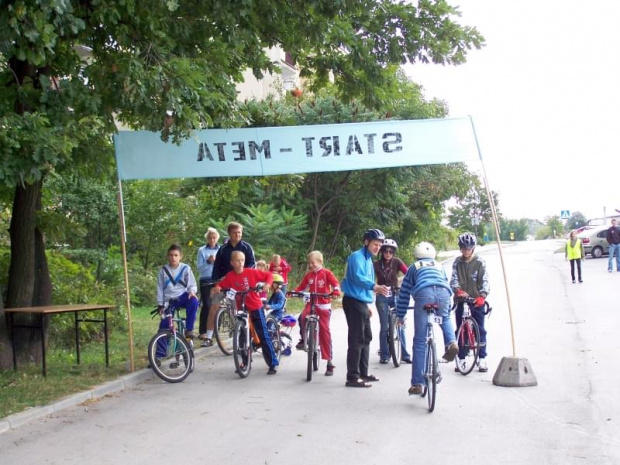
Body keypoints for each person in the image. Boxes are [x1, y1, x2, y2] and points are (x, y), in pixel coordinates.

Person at [396, 242, 458, 395]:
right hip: (444, 293)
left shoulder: (413, 267)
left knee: (419, 341)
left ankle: (417, 383)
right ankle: (451, 342)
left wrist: (400, 315)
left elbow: (404, 293)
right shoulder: (438, 266)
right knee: (445, 317)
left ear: (416, 256)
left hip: (423, 294)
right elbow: (445, 282)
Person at [211, 251, 279, 374]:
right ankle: (245, 362)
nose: (240, 262)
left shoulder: (251, 272)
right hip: (241, 308)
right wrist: (218, 287)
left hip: (255, 306)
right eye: (237, 260)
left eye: (242, 260)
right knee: (242, 336)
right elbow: (221, 284)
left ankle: (273, 363)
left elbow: (268, 275)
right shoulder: (230, 276)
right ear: (232, 263)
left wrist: (267, 285)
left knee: (263, 334)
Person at [341, 229, 390, 388]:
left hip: (360, 302)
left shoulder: (368, 260)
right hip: (353, 301)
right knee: (356, 339)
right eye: (375, 244)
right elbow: (357, 278)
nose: (378, 248)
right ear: (366, 242)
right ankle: (352, 377)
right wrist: (374, 286)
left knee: (366, 337)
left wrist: (367, 305)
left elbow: (363, 285)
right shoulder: (357, 256)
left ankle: (363, 372)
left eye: (379, 245)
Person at [204, 222, 257, 346]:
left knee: (237, 309)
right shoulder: (222, 250)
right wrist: (215, 281)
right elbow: (217, 267)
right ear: (229, 234)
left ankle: (241, 333)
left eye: (239, 232)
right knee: (214, 306)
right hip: (224, 282)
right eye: (235, 233)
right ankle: (208, 337)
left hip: (239, 283)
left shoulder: (246, 247)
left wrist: (244, 274)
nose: (237, 235)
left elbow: (252, 264)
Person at [292, 250, 340, 376]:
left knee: (325, 331)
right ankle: (304, 339)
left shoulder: (327, 273)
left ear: (320, 262)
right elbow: (301, 287)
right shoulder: (309, 276)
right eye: (309, 263)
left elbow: (335, 284)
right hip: (311, 304)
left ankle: (329, 362)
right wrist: (294, 291)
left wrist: (335, 291)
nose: (311, 265)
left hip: (323, 305)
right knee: (302, 317)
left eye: (313, 263)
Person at [450, 232, 491, 373]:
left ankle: (482, 358)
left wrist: (483, 295)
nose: (466, 251)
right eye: (463, 248)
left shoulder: (480, 262)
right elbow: (454, 279)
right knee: (460, 329)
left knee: (480, 329)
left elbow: (485, 280)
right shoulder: (457, 262)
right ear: (460, 248)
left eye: (468, 248)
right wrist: (457, 290)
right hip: (461, 298)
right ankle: (461, 358)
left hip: (476, 299)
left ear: (473, 248)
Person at [373, 238, 412, 364]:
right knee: (384, 326)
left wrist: (404, 284)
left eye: (391, 251)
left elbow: (408, 273)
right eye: (385, 251)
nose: (388, 254)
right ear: (382, 252)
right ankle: (384, 354)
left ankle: (405, 355)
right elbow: (368, 278)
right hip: (382, 296)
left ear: (393, 253)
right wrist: (375, 288)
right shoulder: (376, 264)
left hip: (396, 294)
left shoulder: (397, 262)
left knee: (400, 324)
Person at [156, 244, 199, 339]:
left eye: (176, 255)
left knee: (194, 301)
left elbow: (192, 283)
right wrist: (160, 304)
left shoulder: (185, 268)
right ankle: (161, 353)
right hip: (169, 300)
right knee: (164, 324)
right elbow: (159, 288)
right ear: (168, 256)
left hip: (182, 297)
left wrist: (192, 291)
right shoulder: (163, 270)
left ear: (180, 256)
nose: (173, 258)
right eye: (171, 255)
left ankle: (189, 329)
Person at [196, 228, 220, 346]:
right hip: (205, 280)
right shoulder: (201, 250)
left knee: (217, 304)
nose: (212, 239)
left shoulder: (221, 250)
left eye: (214, 237)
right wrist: (208, 262)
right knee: (207, 305)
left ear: (217, 238)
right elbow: (199, 268)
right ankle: (203, 331)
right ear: (207, 238)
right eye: (210, 237)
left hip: (217, 280)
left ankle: (215, 330)